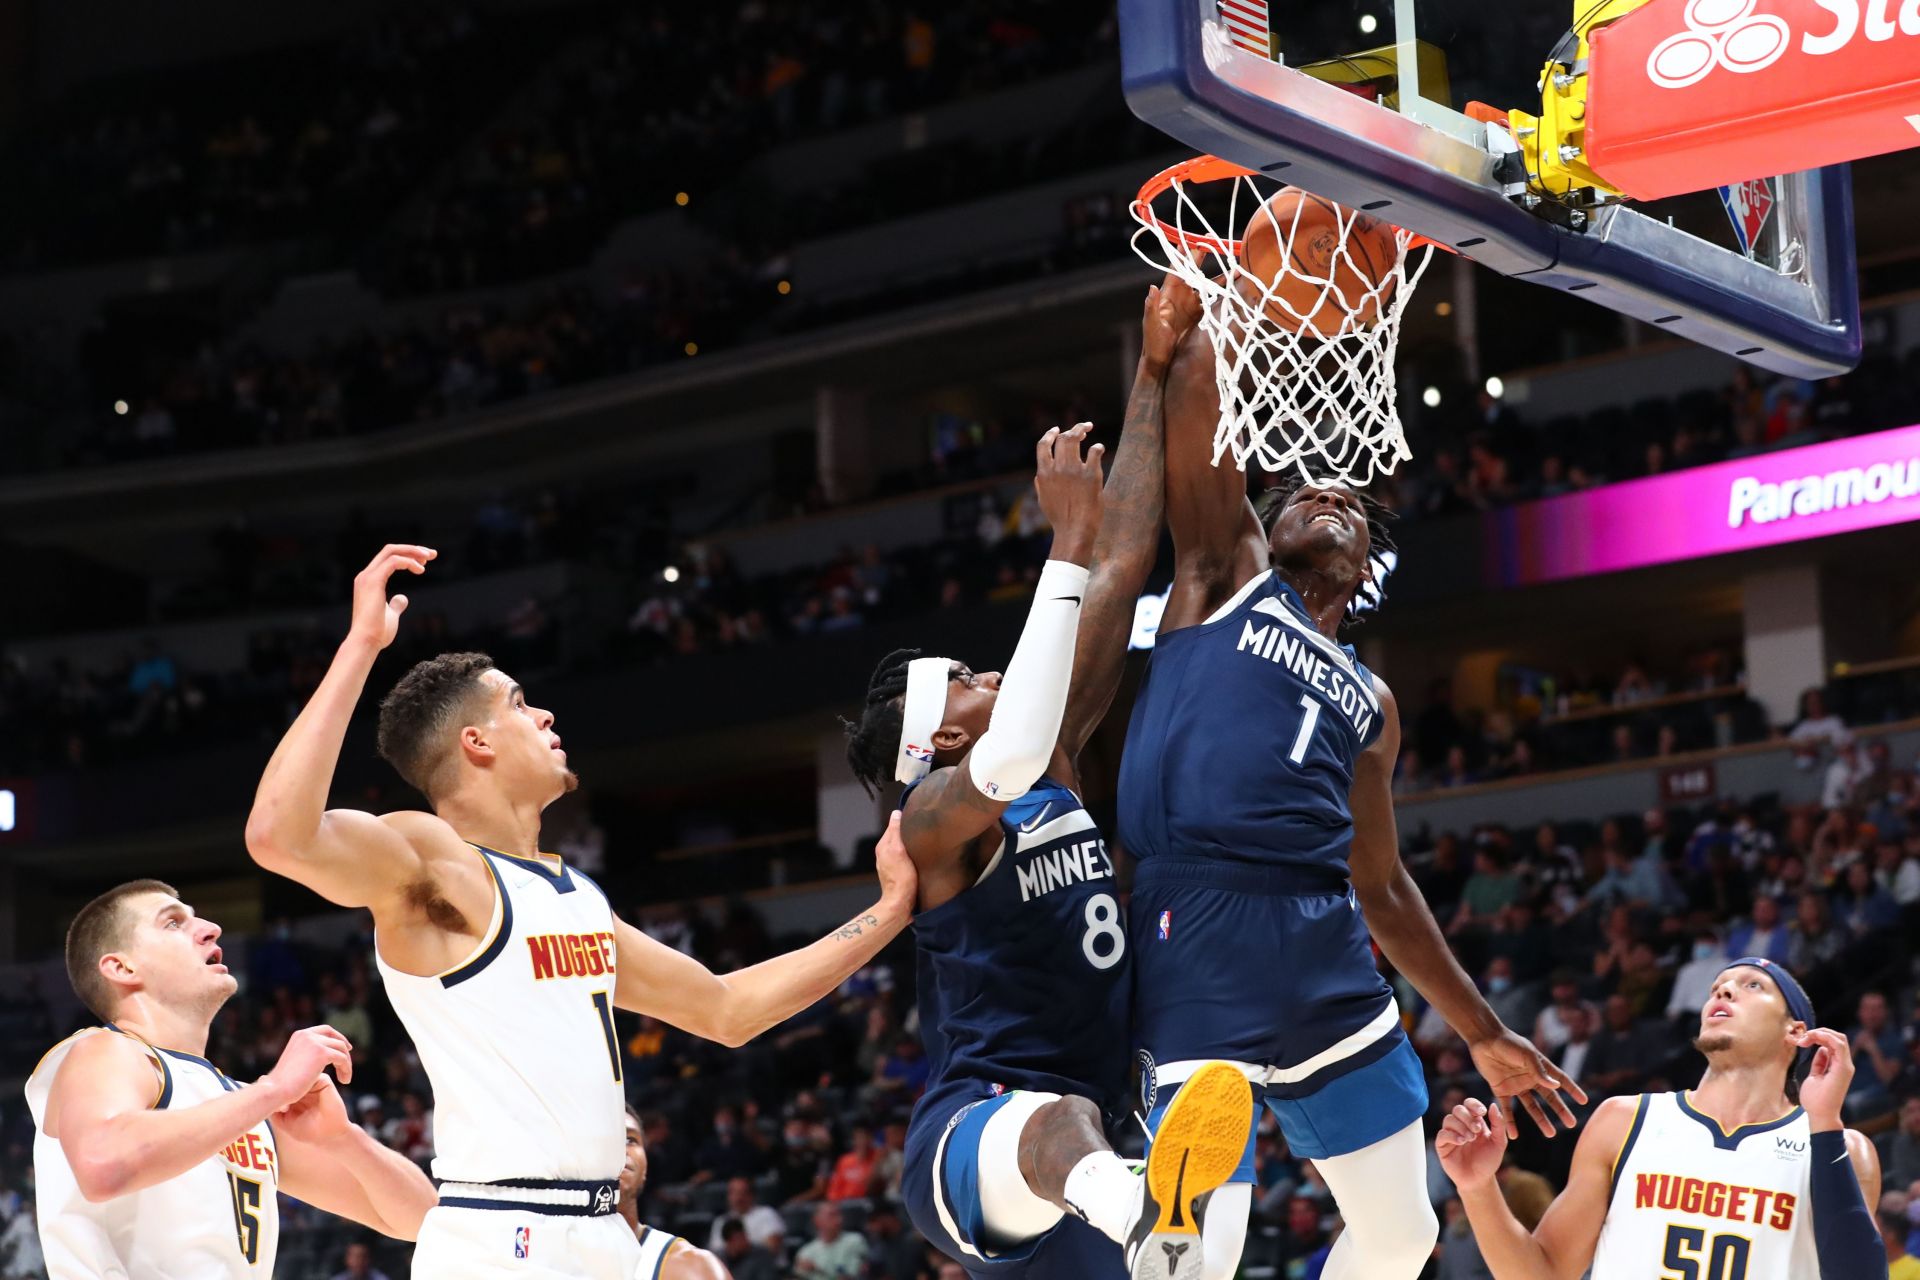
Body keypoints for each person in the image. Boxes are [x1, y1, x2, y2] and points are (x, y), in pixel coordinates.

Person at [245, 542, 918, 1279]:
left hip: (600, 1236)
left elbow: (727, 1010)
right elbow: (280, 835)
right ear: (475, 743)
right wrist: (360, 646)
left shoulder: (574, 896)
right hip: (501, 1236)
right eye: (520, 705)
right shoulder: (432, 858)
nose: (546, 713)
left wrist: (889, 911)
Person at [1113, 275, 1583, 1280]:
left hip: (1325, 950)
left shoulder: (1371, 698)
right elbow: (1206, 429)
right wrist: (1215, 301)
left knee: (1406, 1235)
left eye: (1352, 504)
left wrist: (1485, 1030)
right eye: (1304, 493)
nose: (1328, 495)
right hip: (1199, 930)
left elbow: (1383, 883)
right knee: (1203, 1242)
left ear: (1368, 563)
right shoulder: (1223, 580)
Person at [842, 279, 1254, 1280]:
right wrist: (1059, 544)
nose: (992, 674)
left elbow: (1122, 556)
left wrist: (1152, 371)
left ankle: (1152, 1210)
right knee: (1061, 1123)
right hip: (982, 1133)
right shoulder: (929, 826)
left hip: (1103, 1135)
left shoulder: (1053, 753)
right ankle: (1151, 1207)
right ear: (936, 740)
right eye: (973, 681)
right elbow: (1013, 747)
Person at [25, 880, 438, 1279]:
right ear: (122, 966)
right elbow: (103, 1164)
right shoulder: (104, 1050)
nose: (210, 928)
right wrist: (273, 1089)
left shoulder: (237, 1103)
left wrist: (344, 1138)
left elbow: (422, 1221)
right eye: (172, 923)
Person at [1438, 957, 1885, 1278]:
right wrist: (1477, 1189)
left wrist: (1824, 1121)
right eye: (1717, 987)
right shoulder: (1625, 1120)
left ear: (1797, 1032)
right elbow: (1543, 1274)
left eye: (1752, 986)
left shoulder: (1840, 1147)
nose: (1723, 990)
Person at [618, 1106, 729, 1280]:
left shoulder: (692, 1268)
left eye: (629, 1140)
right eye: (603, 1140)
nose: (619, 1150)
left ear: (646, 1165)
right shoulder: (560, 1259)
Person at [707, 1176, 785, 1255]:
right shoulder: (721, 1221)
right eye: (734, 1193)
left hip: (762, 1265)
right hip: (731, 1266)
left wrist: (743, 1247)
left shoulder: (767, 1214)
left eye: (743, 1192)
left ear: (752, 1195)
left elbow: (772, 1247)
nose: (738, 1198)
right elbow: (716, 1254)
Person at [794, 1203, 867, 1280]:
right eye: (832, 1215)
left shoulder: (855, 1241)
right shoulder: (806, 1251)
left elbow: (852, 1276)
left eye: (839, 1215)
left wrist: (817, 1268)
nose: (839, 1220)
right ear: (817, 1221)